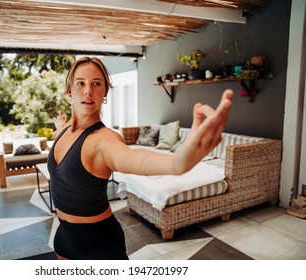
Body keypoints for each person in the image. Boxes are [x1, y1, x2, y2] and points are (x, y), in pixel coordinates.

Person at [48, 56, 233, 260]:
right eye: (80, 83)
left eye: (96, 83)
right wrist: (59, 127)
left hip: (98, 245)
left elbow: (133, 157)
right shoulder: (64, 132)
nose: (88, 90)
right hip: (63, 236)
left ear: (105, 93)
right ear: (69, 91)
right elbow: (63, 138)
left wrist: (176, 163)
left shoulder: (104, 139)